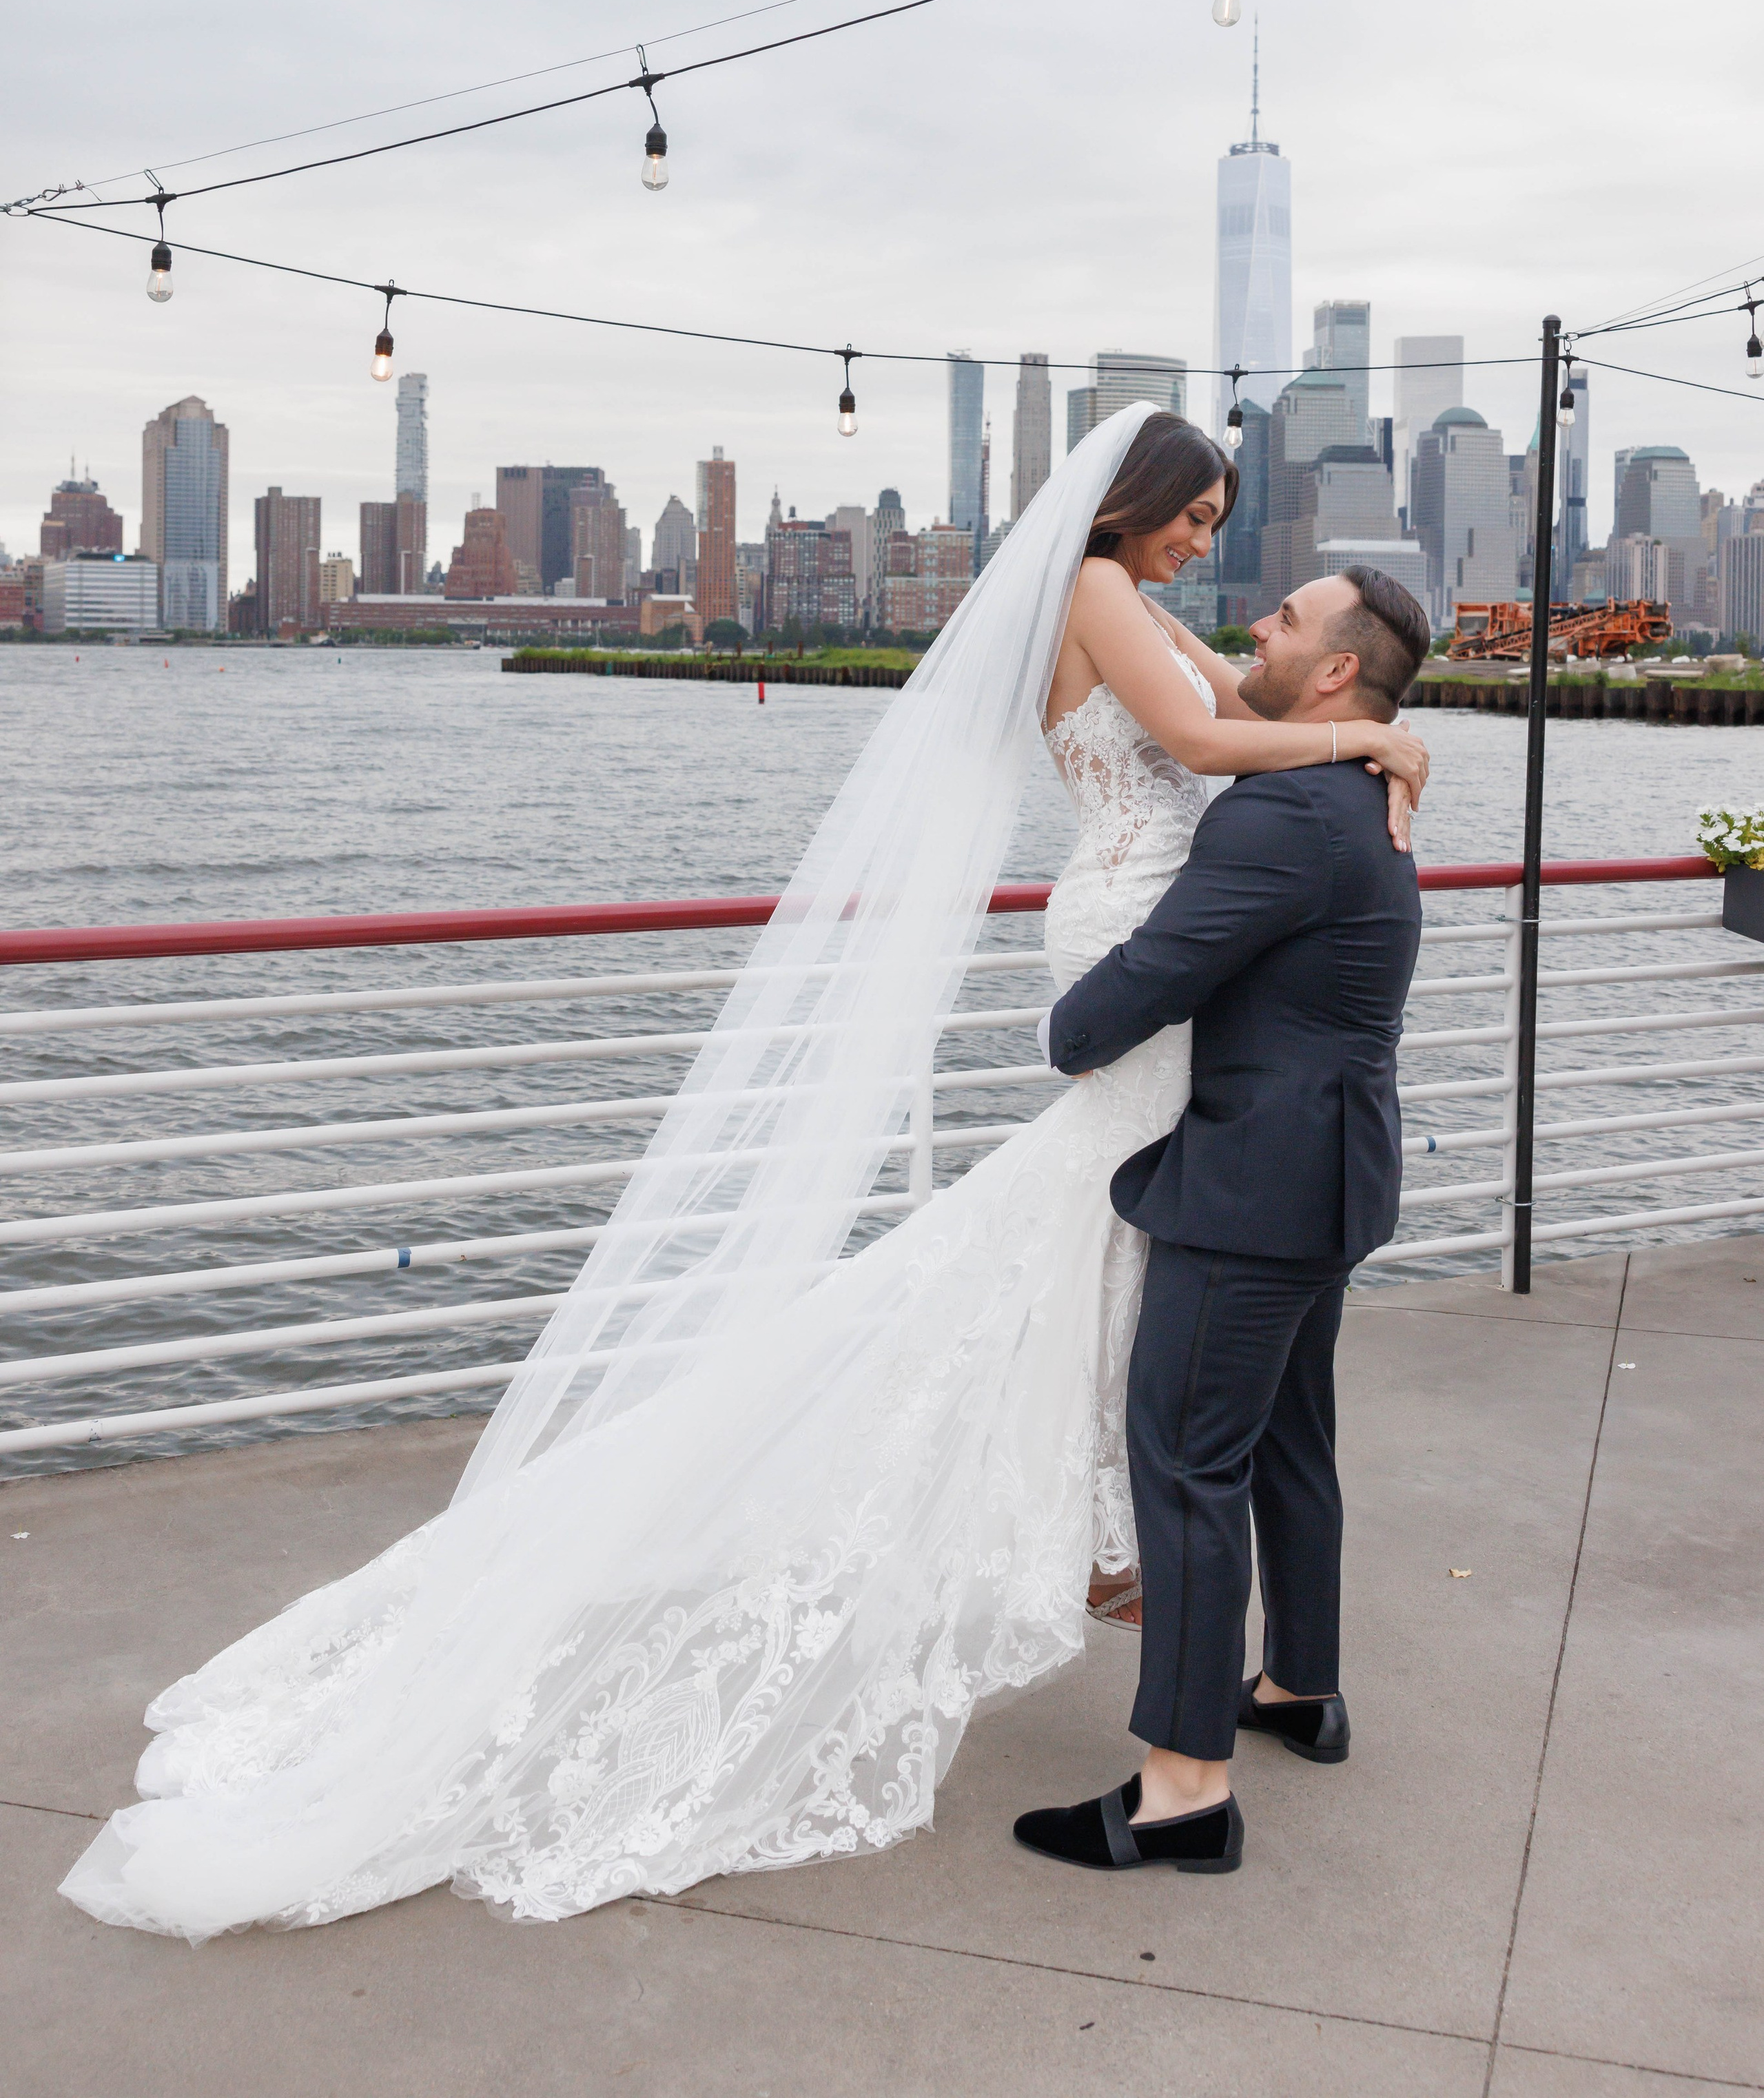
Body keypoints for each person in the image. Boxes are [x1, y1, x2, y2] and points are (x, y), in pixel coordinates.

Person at [62, 410, 1428, 1942]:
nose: (1214, 556)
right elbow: (1191, 742)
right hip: (1132, 937)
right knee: (1119, 1275)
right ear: (1135, 504)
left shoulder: (1146, 602)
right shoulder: (1100, 593)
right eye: (1195, 519)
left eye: (1232, 542)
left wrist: (1366, 721)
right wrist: (1360, 733)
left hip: (1184, 1002)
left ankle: (1149, 1573)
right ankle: (1140, 1567)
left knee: (1112, 1276)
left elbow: (1237, 694)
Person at [1012, 564, 1430, 1878]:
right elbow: (1208, 671)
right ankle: (1301, 1685)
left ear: (1332, 677)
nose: (1259, 624)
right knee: (1289, 1440)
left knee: (1186, 1462)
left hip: (1252, 1187)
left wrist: (1064, 1032)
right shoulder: (1360, 790)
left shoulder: (1281, 819)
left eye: (1288, 620)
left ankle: (1184, 1789)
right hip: (1335, 1176)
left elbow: (1161, 966)